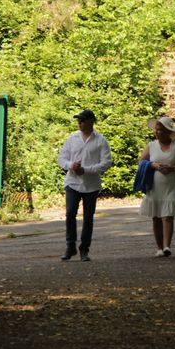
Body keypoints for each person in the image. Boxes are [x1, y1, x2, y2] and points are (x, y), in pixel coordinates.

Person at [58, 109, 112, 261]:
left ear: (91, 122)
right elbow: (61, 159)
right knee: (70, 214)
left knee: (88, 217)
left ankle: (84, 249)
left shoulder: (101, 140)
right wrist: (71, 165)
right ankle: (70, 246)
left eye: (82, 120)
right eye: (78, 120)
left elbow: (106, 163)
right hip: (72, 182)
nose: (79, 123)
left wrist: (86, 170)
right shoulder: (72, 139)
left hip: (91, 185)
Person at [138, 117, 175, 257]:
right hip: (154, 187)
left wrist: (173, 168)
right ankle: (159, 247)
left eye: (161, 130)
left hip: (171, 186)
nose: (158, 132)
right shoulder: (151, 146)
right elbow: (142, 162)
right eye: (156, 130)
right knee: (156, 217)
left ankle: (167, 246)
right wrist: (153, 165)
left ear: (169, 131)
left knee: (168, 216)